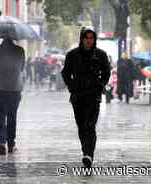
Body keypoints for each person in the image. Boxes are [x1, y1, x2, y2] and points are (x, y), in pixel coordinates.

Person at [61, 27, 111, 168]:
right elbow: (65, 73)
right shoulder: (72, 55)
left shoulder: (100, 55)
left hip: (94, 96)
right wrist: (72, 86)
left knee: (90, 125)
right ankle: (85, 151)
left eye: (91, 38)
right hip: (78, 96)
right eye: (86, 38)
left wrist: (100, 85)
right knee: (81, 125)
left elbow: (107, 72)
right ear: (82, 39)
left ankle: (89, 154)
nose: (89, 41)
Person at [0, 38, 25, 155]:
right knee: (12, 116)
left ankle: (1, 143)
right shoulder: (20, 51)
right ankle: (11, 144)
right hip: (14, 88)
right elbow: (22, 68)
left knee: (0, 115)